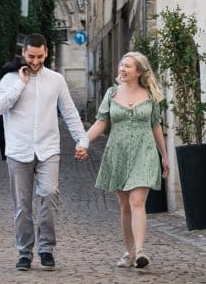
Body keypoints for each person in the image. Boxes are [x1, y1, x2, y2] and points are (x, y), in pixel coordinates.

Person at [0, 33, 89, 271]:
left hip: (48, 149)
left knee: (48, 194)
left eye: (39, 56)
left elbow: (69, 111)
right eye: (31, 56)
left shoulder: (56, 80)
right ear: (23, 52)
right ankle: (24, 252)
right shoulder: (9, 78)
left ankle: (46, 248)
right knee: (22, 205)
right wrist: (20, 84)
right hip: (18, 150)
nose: (35, 61)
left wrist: (82, 140)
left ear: (46, 52)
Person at [77, 51, 169, 269]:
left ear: (138, 71)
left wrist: (164, 156)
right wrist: (84, 142)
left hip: (144, 152)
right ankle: (128, 252)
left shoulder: (150, 96)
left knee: (137, 202)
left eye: (128, 66)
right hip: (118, 152)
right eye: (122, 65)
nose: (122, 69)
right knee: (124, 206)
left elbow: (156, 126)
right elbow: (101, 123)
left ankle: (140, 252)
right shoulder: (112, 93)